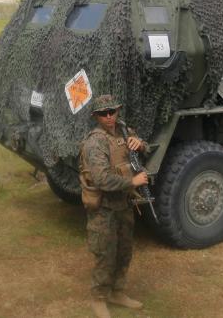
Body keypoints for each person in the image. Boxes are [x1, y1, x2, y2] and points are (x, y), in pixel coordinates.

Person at [79, 94, 149, 318]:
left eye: (112, 111)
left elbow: (142, 150)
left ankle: (117, 292)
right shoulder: (95, 142)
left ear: (118, 110)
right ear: (96, 116)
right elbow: (102, 179)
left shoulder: (124, 131)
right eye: (103, 113)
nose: (109, 117)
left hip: (124, 204)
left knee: (124, 251)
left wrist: (141, 145)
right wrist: (132, 182)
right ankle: (99, 298)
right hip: (104, 208)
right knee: (105, 254)